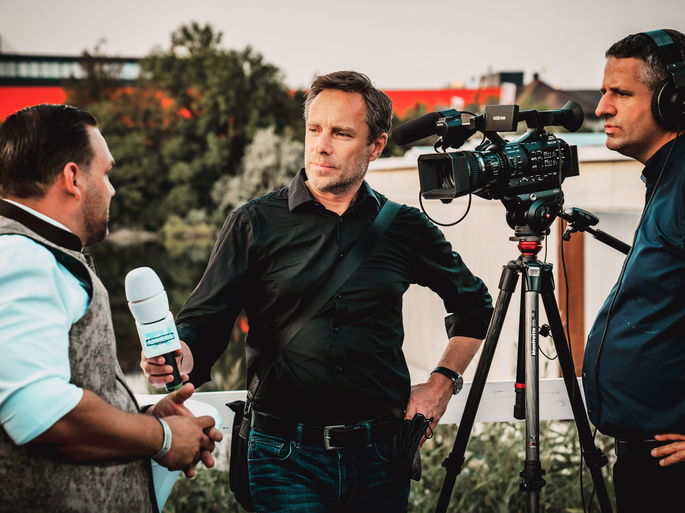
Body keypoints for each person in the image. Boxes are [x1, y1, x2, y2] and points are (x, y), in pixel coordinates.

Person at [142, 71, 493, 513]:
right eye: (314, 129)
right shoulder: (254, 222)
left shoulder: (405, 228)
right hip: (284, 457)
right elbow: (204, 321)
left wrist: (442, 382)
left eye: (341, 133)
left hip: (382, 457)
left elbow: (476, 306)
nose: (321, 146)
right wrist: (178, 355)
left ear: (376, 145)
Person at [0, 104, 222, 513]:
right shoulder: (21, 256)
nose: (113, 189)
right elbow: (39, 411)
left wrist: (145, 416)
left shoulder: (39, 252)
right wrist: (164, 437)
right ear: (73, 178)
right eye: (106, 173)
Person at [582, 30, 685, 513]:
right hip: (649, 456)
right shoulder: (667, 177)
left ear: (674, 102)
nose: (602, 108)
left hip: (672, 465)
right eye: (604, 92)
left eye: (620, 93)